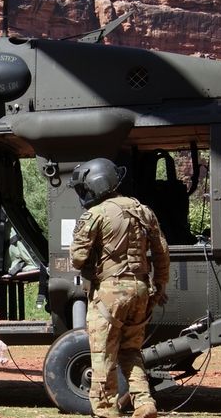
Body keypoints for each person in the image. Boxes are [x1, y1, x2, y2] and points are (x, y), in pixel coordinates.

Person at [69, 158, 170, 418]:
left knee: (103, 355)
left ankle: (105, 411)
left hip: (110, 294)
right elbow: (161, 253)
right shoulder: (143, 210)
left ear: (95, 185)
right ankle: (144, 403)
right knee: (130, 351)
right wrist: (159, 286)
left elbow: (78, 258)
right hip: (140, 290)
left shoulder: (96, 214)